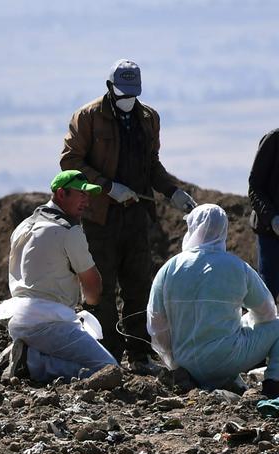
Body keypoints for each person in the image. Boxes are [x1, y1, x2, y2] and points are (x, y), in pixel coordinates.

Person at [61, 59, 197, 372]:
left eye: (132, 92)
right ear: (110, 87)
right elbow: (70, 161)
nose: (128, 98)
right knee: (102, 289)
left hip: (136, 217)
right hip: (101, 218)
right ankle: (106, 358)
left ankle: (139, 356)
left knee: (139, 287)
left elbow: (152, 165)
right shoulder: (88, 118)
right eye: (122, 92)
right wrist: (108, 187)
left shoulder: (148, 118)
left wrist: (171, 191)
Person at [0, 170, 118, 382]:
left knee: (77, 359)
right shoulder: (68, 230)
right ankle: (30, 361)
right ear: (60, 194)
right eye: (80, 194)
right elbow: (92, 283)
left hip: (18, 319)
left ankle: (27, 355)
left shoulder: (23, 226)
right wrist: (91, 305)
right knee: (107, 370)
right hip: (51, 321)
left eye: (88, 195)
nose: (86, 201)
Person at [148, 204, 279, 398]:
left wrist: (174, 362)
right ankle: (273, 383)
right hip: (226, 361)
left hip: (185, 362)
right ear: (224, 229)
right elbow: (267, 312)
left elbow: (156, 325)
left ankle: (199, 381)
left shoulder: (169, 268)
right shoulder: (237, 267)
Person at [248, 127, 279, 296]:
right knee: (268, 294)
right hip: (270, 234)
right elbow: (255, 187)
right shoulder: (273, 140)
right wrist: (272, 218)